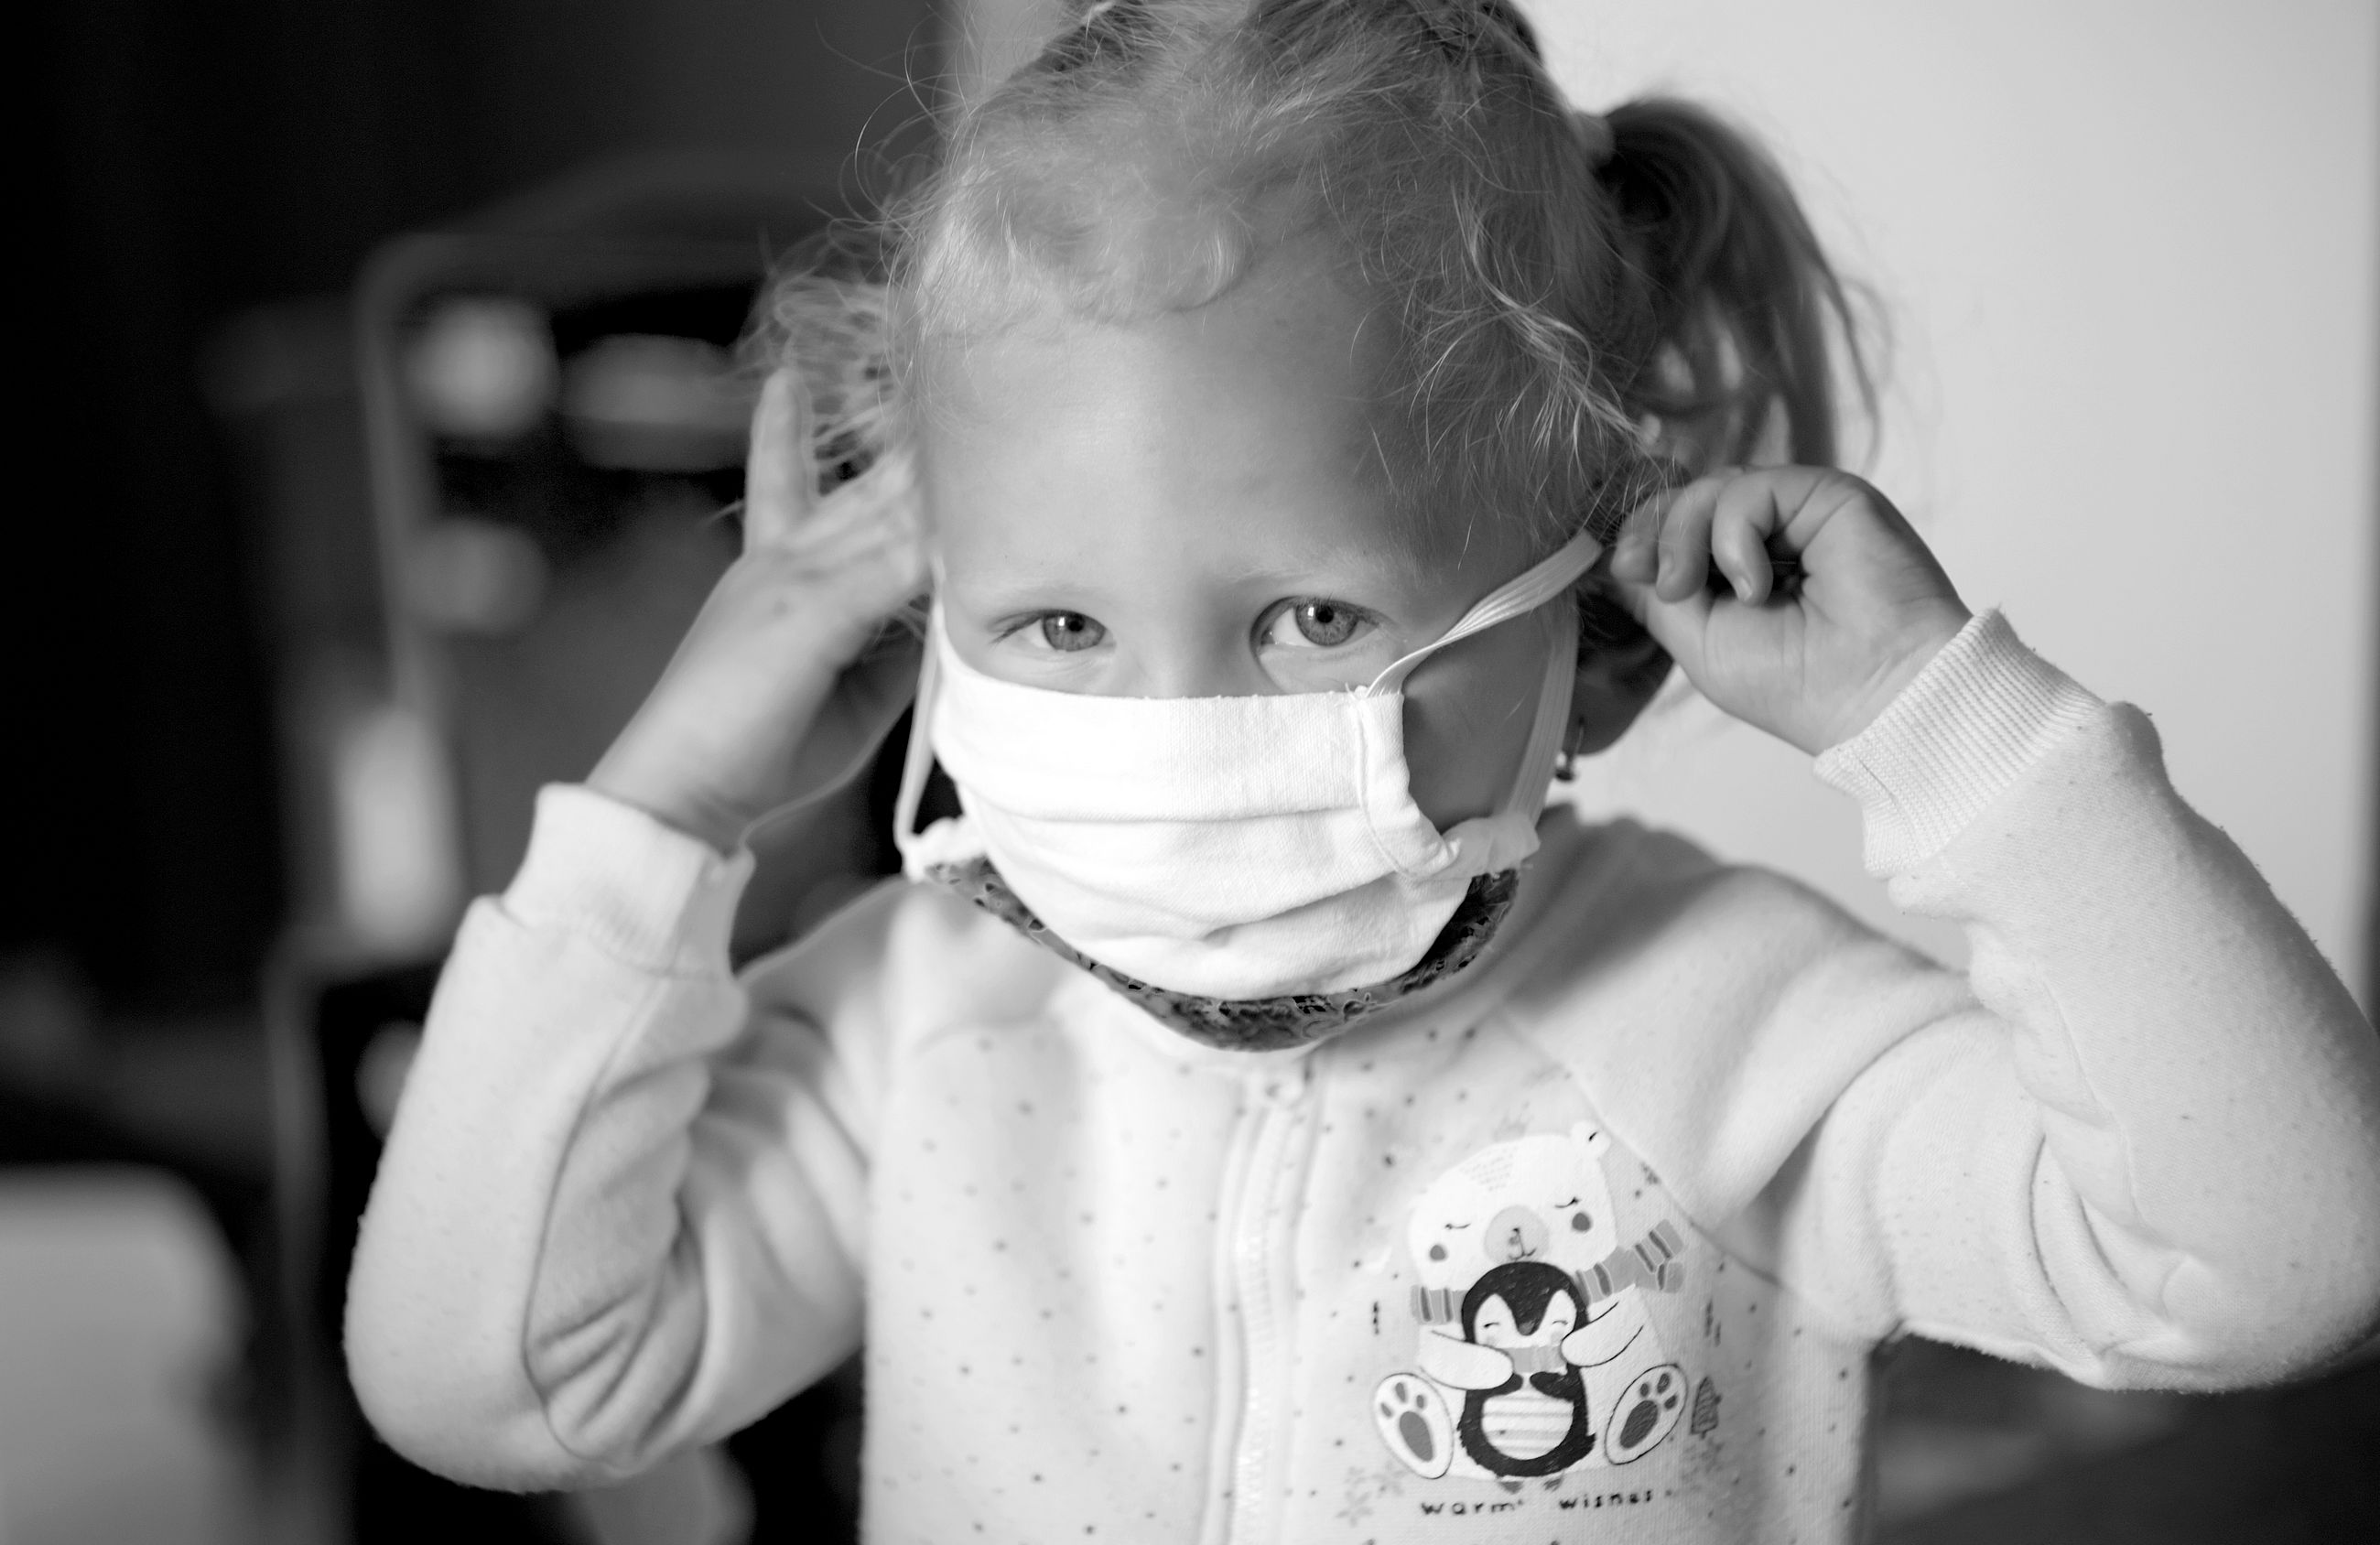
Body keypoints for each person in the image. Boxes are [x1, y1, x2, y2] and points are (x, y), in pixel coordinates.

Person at [344, 3, 2380, 1540]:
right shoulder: (922, 1035)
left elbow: (2281, 1262)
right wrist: (667, 810)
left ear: (1592, 642)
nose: (1169, 730)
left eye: (1311, 615)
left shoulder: (1737, 1041)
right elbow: (489, 1384)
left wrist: (1943, 726)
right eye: (1060, 625)